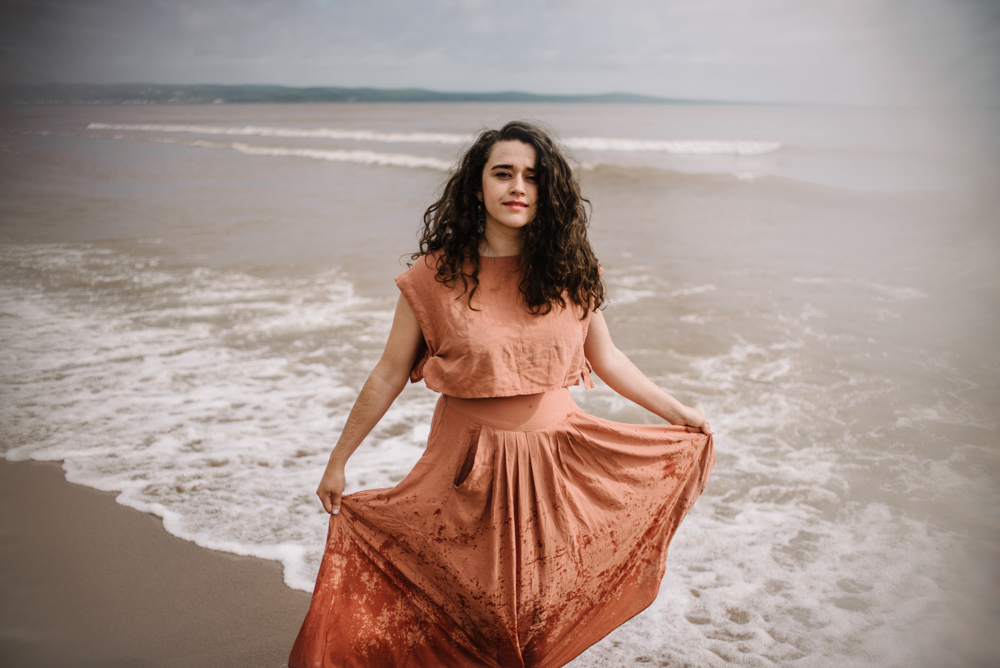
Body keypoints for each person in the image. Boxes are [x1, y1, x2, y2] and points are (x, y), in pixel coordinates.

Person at [288, 121, 715, 668]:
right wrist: (338, 460)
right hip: (467, 464)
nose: (518, 186)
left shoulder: (569, 270)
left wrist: (679, 412)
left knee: (538, 608)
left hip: (557, 462)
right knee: (464, 604)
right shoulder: (433, 276)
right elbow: (389, 372)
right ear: (477, 187)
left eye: (532, 177)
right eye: (503, 173)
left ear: (548, 190)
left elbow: (607, 359)